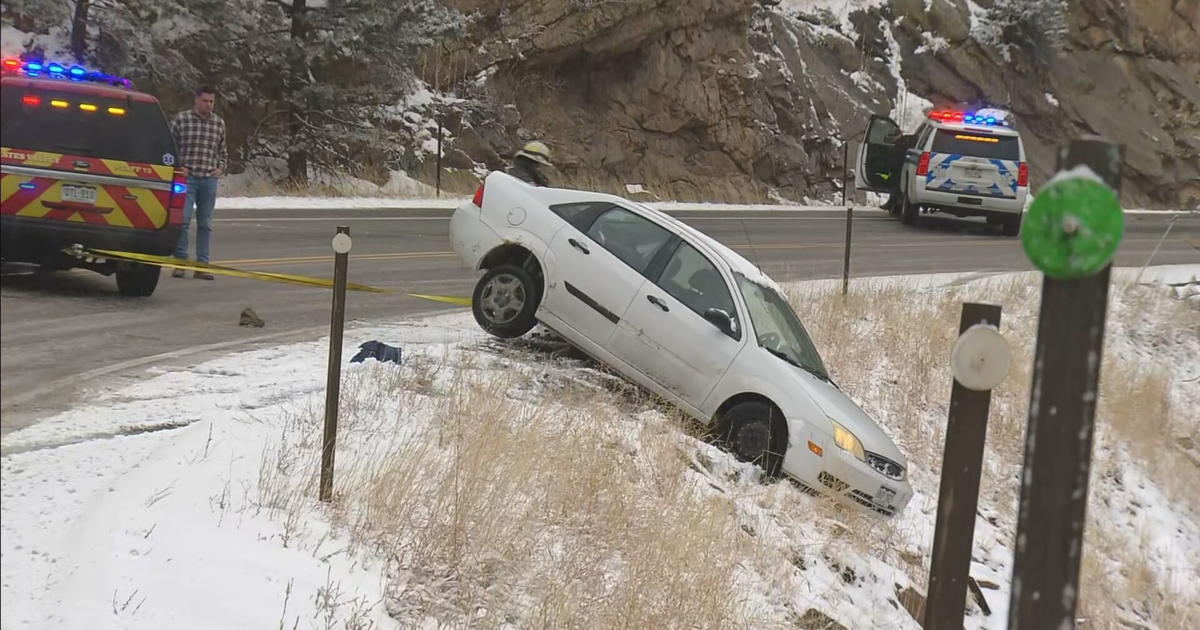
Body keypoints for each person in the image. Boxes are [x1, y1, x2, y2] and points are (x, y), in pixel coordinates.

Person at [171, 85, 228, 280]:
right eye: (205, 101)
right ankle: (181, 263)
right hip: (187, 178)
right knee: (183, 221)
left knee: (205, 223)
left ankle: (202, 265)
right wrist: (179, 167)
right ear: (196, 100)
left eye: (212, 101)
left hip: (208, 179)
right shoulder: (182, 119)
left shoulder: (218, 123)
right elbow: (171, 146)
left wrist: (220, 168)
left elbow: (223, 151)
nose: (208, 105)